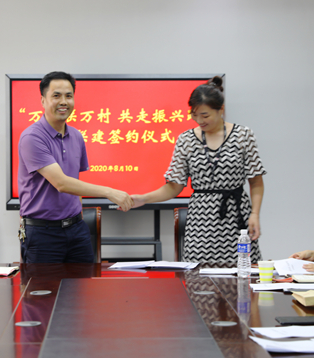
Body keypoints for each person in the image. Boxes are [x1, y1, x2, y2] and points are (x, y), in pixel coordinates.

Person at [131, 76, 266, 263]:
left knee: (242, 271)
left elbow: (256, 181)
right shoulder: (185, 140)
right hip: (200, 221)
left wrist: (255, 214)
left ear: (221, 110)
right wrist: (143, 199)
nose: (199, 120)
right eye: (194, 114)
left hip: (237, 216)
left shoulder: (243, 135)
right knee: (198, 276)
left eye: (205, 115)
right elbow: (174, 187)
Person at [18, 71, 133, 263]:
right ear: (43, 100)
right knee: (44, 284)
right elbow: (62, 183)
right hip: (42, 233)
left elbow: (75, 182)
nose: (64, 102)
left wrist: (77, 217)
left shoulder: (77, 136)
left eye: (68, 96)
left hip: (77, 230)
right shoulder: (32, 137)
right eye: (56, 96)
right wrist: (109, 192)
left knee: (82, 283)